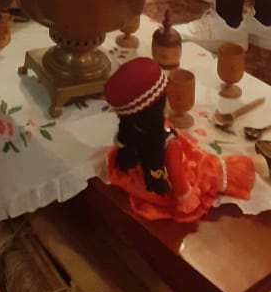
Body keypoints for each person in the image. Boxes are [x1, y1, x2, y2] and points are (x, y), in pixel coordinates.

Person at [103, 58, 257, 222]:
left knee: (194, 153)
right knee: (209, 170)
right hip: (163, 186)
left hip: (141, 176)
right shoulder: (168, 144)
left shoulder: (133, 130)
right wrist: (187, 196)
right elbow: (180, 186)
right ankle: (252, 165)